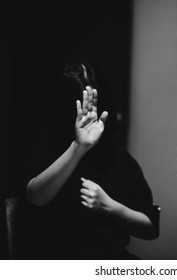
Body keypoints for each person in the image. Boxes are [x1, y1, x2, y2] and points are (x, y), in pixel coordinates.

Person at [20, 60, 160, 259]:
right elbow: (37, 197)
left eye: (94, 102)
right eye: (79, 105)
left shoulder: (119, 158)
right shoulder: (43, 149)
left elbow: (150, 228)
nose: (87, 114)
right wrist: (79, 147)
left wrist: (108, 206)